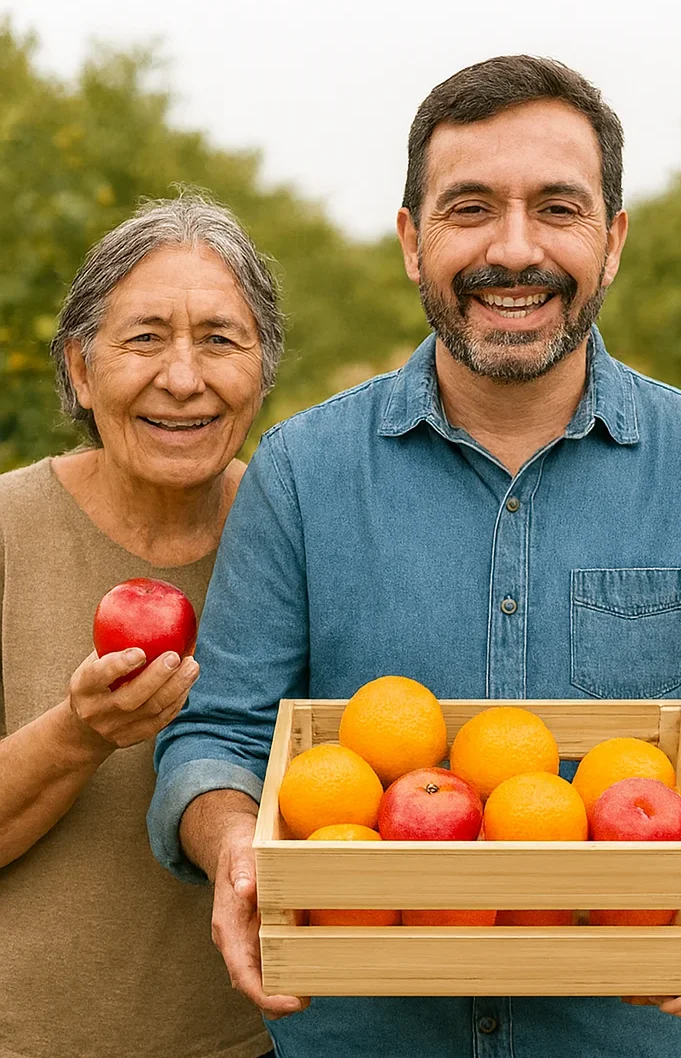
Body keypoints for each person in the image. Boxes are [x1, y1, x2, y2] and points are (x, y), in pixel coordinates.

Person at [148, 56, 681, 1058]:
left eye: (557, 208)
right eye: (470, 209)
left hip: (621, 1033)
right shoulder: (301, 473)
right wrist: (236, 846)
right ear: (411, 241)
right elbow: (219, 734)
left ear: (612, 241)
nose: (515, 250)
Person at [0, 194, 281, 1058]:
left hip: (253, 1044)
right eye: (146, 338)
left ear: (264, 369)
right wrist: (79, 733)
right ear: (81, 370)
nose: (184, 379)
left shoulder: (294, 541)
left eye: (221, 340)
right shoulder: (7, 531)